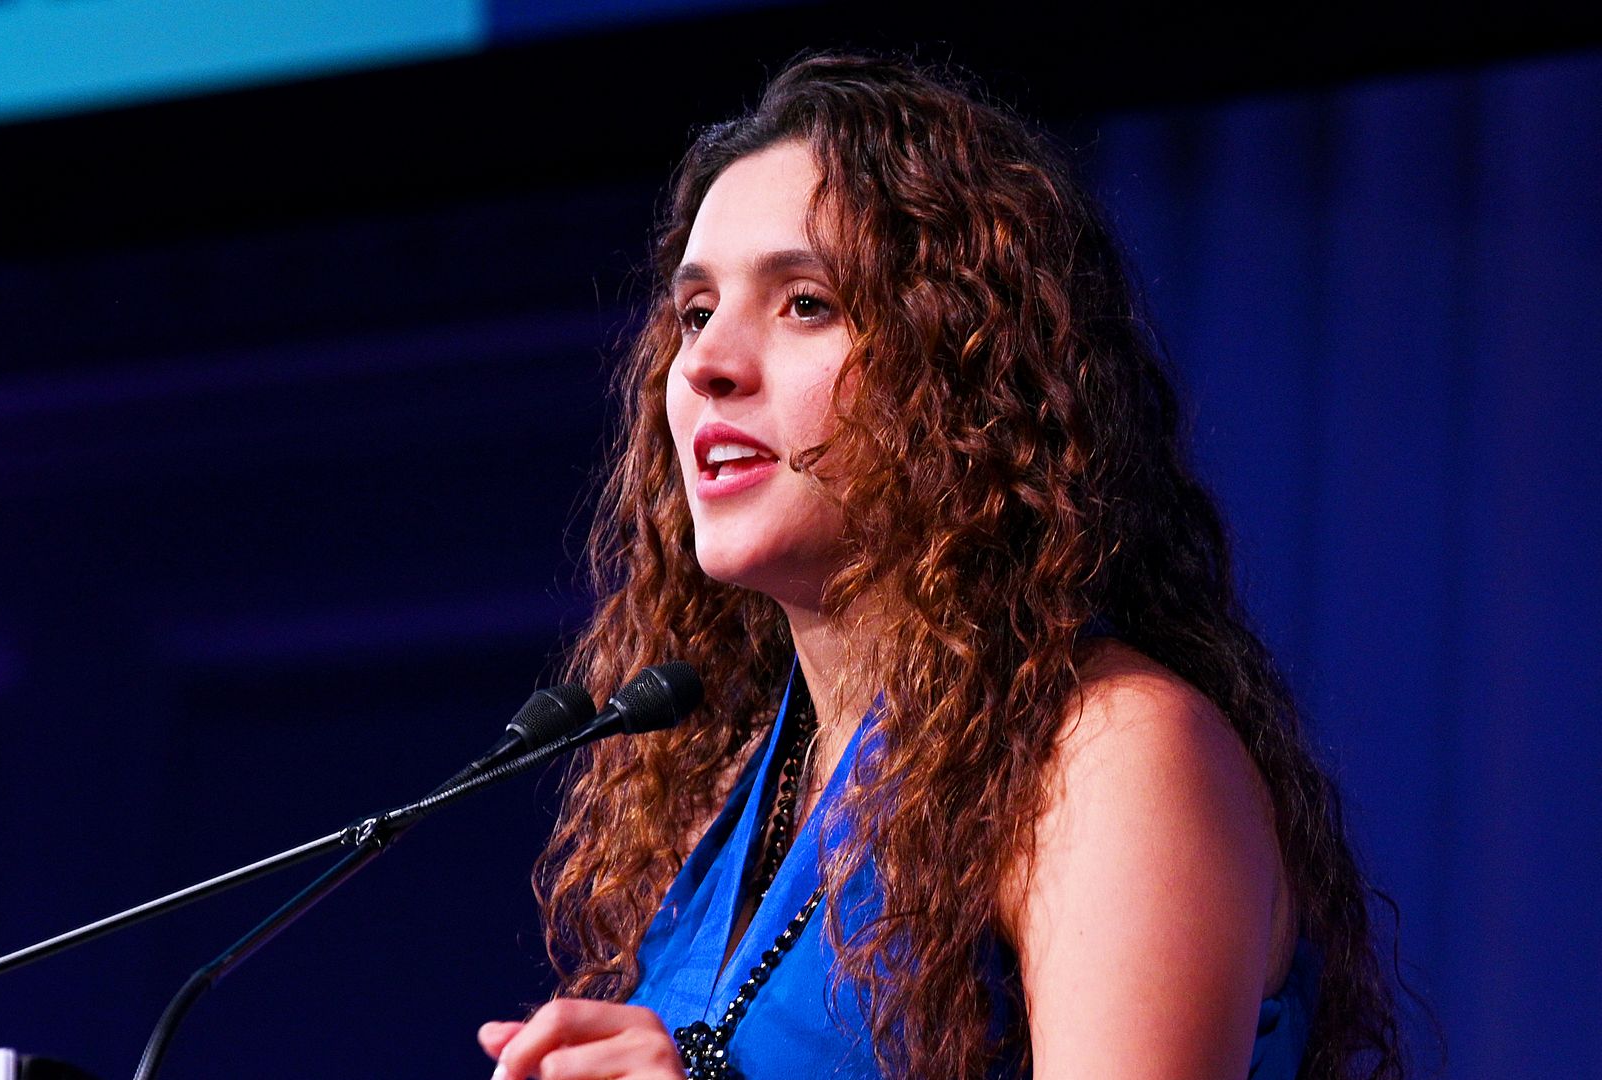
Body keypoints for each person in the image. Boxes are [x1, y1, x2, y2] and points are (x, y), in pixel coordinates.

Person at [478, 53, 1404, 1080]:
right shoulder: (731, 789)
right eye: (696, 313)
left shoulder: (1107, 756)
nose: (705, 363)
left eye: (806, 303)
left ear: (964, 371)